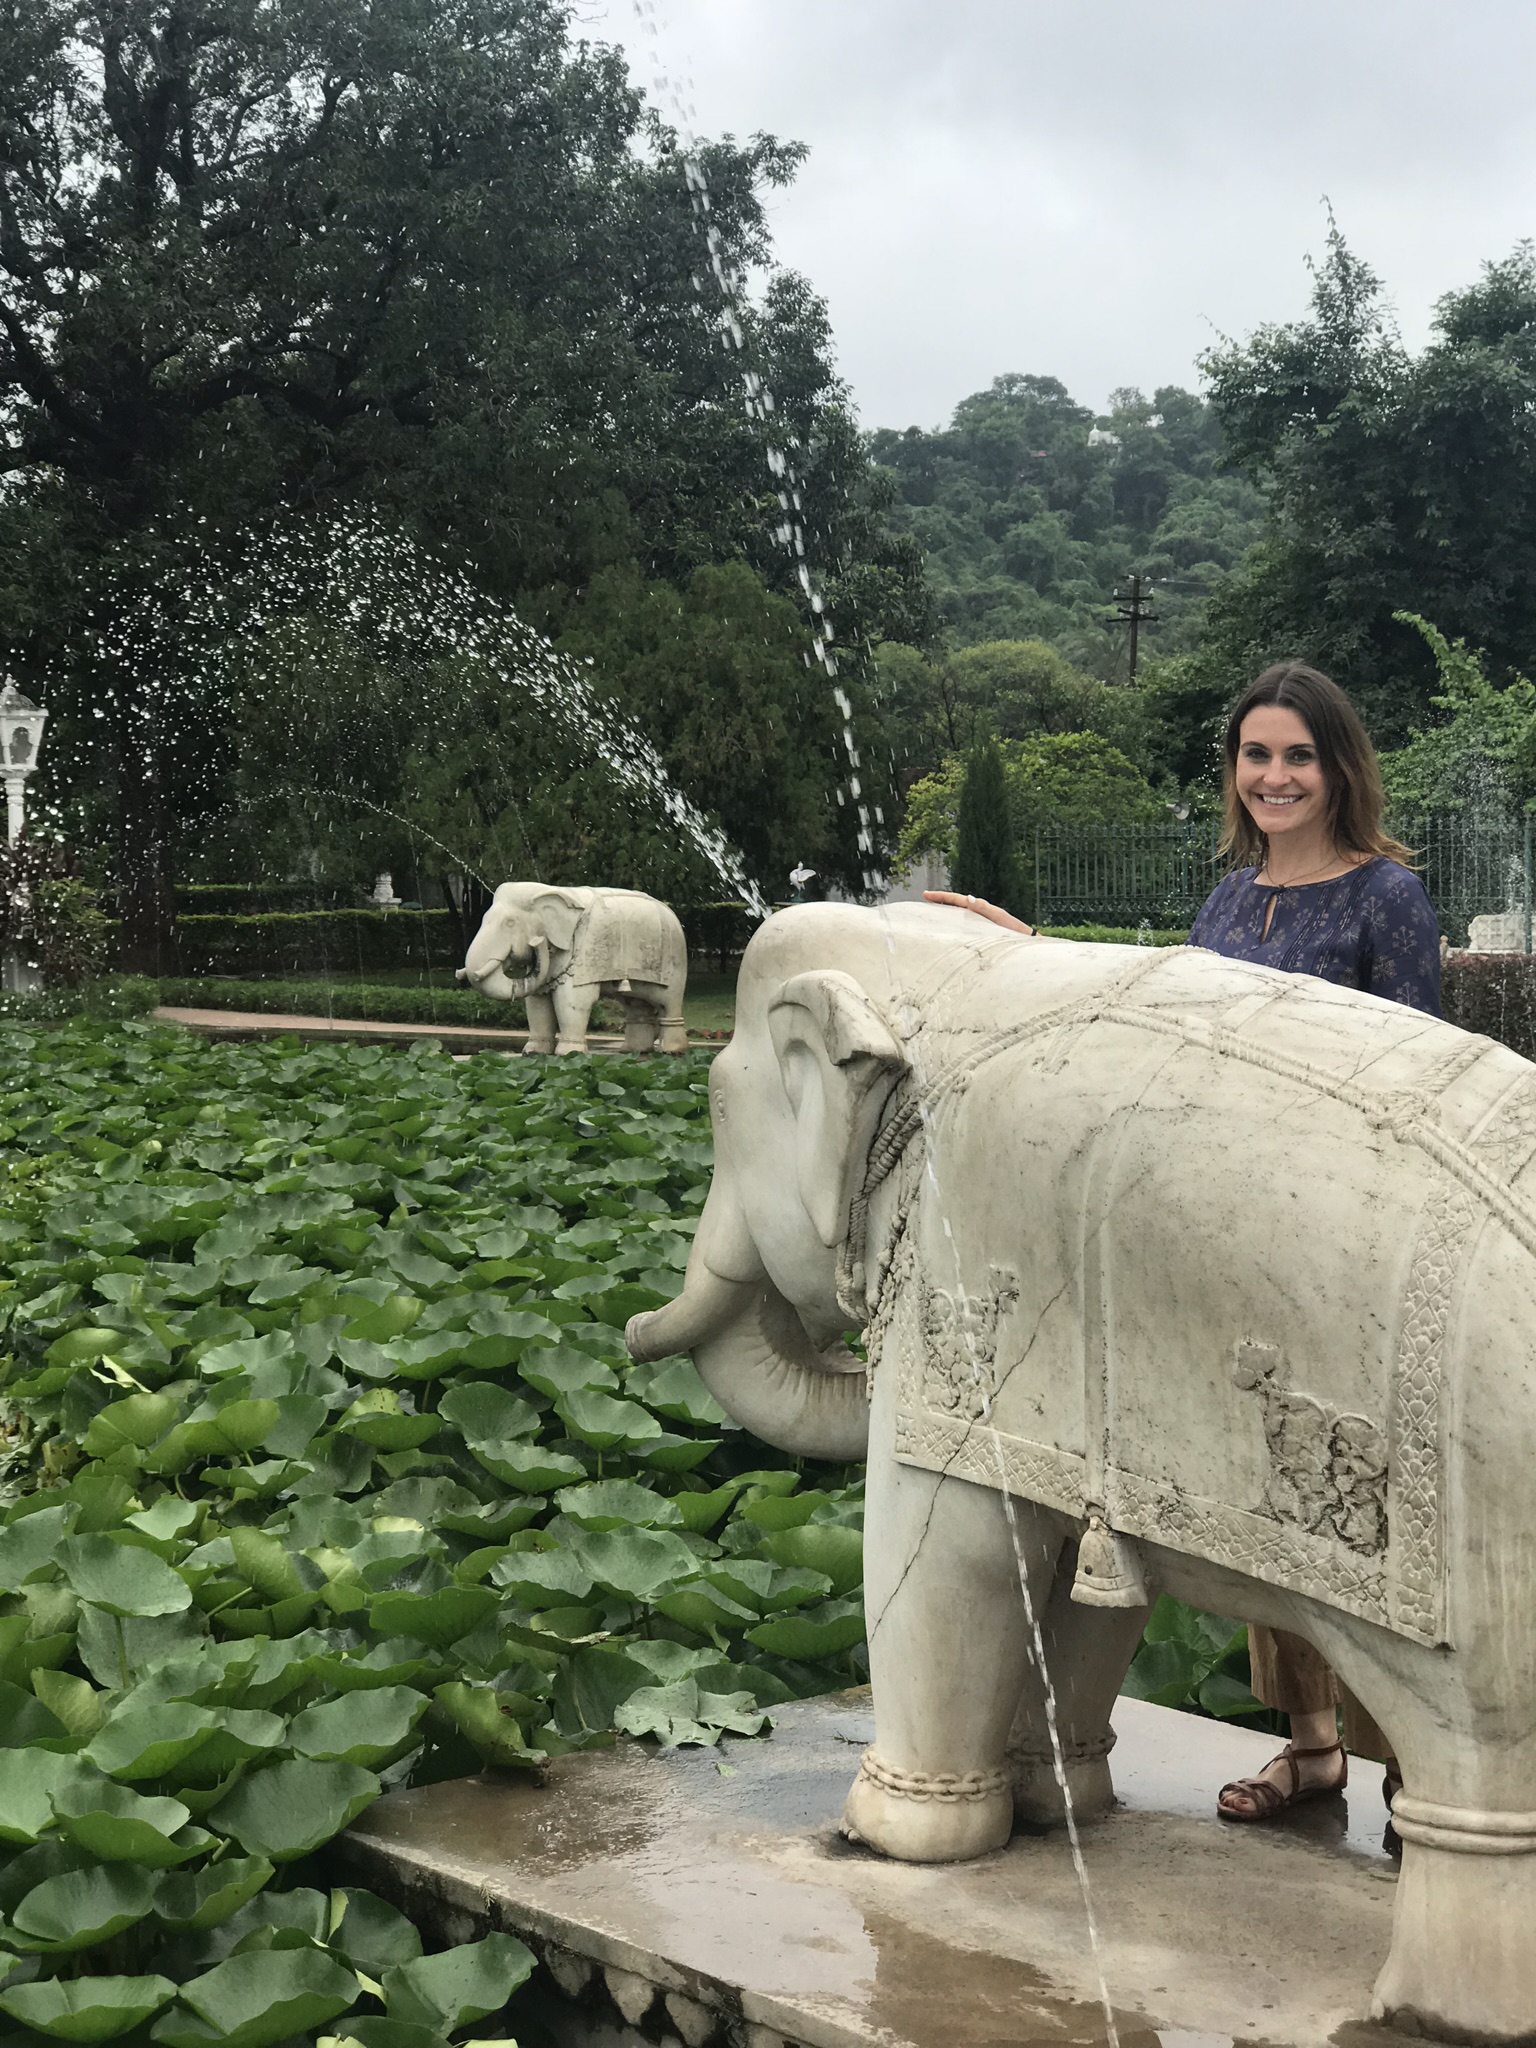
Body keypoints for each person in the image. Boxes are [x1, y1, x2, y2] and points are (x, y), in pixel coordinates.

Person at [928, 659, 1441, 1832]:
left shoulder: (1387, 897)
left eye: (1298, 755)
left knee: (1364, 1501)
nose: (1275, 775)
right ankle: (1312, 1746)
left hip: (1349, 1243)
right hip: (1241, 1243)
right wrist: (1027, 950)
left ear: (1338, 767)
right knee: (1270, 1499)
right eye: (1257, 754)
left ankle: (1420, 1768)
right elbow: (1167, 1026)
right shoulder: (1226, 900)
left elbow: (1419, 1075)